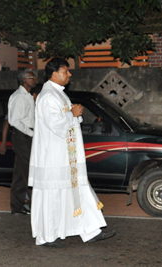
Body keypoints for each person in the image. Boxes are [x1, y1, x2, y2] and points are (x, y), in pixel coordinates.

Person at [28, 58, 115, 247]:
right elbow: (55, 125)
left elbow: (67, 120)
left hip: (67, 155)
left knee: (78, 190)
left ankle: (90, 230)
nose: (70, 74)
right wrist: (73, 114)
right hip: (53, 156)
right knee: (54, 195)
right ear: (54, 73)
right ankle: (47, 236)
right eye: (65, 71)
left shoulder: (58, 94)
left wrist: (74, 114)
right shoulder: (48, 96)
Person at [7, 69, 36, 215]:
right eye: (31, 77)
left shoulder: (28, 96)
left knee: (21, 171)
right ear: (24, 80)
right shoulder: (18, 97)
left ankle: (17, 206)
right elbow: (14, 121)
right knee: (29, 170)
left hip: (27, 135)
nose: (34, 79)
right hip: (22, 136)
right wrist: (31, 133)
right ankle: (29, 204)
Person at [0, 83, 42, 155]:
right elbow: (8, 121)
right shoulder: (21, 100)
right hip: (24, 137)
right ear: (34, 95)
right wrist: (3, 142)